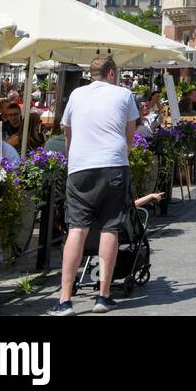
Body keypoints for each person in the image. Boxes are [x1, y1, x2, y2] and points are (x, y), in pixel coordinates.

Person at [49, 55, 140, 316]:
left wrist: (73, 156)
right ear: (112, 73)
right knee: (110, 228)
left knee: (76, 229)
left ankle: (65, 299)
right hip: (113, 164)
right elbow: (130, 137)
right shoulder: (124, 94)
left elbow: (66, 130)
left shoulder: (77, 95)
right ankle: (103, 295)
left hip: (80, 167)